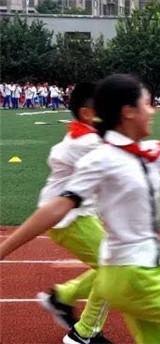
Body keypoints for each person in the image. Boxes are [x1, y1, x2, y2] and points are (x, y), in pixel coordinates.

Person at [0, 74, 160, 344]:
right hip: (134, 276)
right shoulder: (101, 158)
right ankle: (67, 304)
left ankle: (70, 307)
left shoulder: (147, 153)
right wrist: (3, 250)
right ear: (128, 112)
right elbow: (56, 208)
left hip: (133, 275)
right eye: (147, 104)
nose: (153, 111)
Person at [16, 82, 112, 344]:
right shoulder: (89, 142)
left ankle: (63, 297)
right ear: (86, 113)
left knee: (112, 264)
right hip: (71, 219)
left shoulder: (85, 135)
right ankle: (84, 333)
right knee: (117, 267)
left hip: (75, 217)